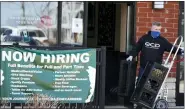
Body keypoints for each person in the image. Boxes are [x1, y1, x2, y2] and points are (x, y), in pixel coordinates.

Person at [126, 22, 184, 109]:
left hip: (156, 67)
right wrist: (131, 56)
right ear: (152, 29)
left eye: (159, 30)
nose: (157, 31)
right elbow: (137, 48)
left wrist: (181, 51)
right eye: (156, 29)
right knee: (140, 85)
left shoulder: (162, 40)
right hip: (144, 66)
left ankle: (149, 103)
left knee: (153, 87)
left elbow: (171, 48)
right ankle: (139, 104)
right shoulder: (144, 38)